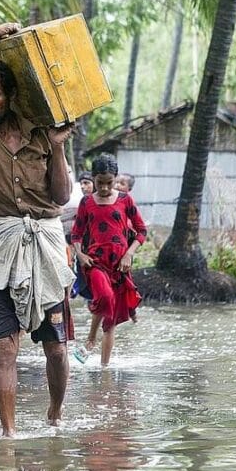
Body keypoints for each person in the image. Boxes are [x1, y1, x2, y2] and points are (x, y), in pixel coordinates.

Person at [0, 22, 76, 437]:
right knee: (6, 347)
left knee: (56, 349)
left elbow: (61, 198)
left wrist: (59, 147)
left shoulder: (41, 134)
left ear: (9, 97)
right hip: (5, 247)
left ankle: (55, 417)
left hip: (46, 242)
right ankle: (8, 435)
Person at [71, 153, 146, 366]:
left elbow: (141, 230)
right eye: (99, 183)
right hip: (95, 263)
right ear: (93, 179)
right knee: (105, 297)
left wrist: (129, 253)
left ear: (115, 179)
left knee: (111, 317)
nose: (103, 188)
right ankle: (91, 339)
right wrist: (80, 253)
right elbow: (76, 234)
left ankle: (104, 368)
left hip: (120, 264)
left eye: (109, 183)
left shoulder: (125, 200)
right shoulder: (86, 202)